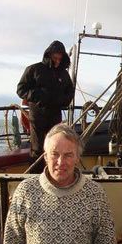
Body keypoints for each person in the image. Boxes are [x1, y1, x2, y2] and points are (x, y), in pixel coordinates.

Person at [17, 40, 74, 171]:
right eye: (55, 57)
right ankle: (34, 178)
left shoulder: (63, 74)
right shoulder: (34, 69)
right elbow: (21, 89)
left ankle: (52, 174)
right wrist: (37, 96)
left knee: (54, 147)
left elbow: (70, 92)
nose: (57, 60)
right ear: (49, 55)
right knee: (37, 148)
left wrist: (63, 100)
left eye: (60, 58)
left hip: (55, 114)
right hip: (37, 114)